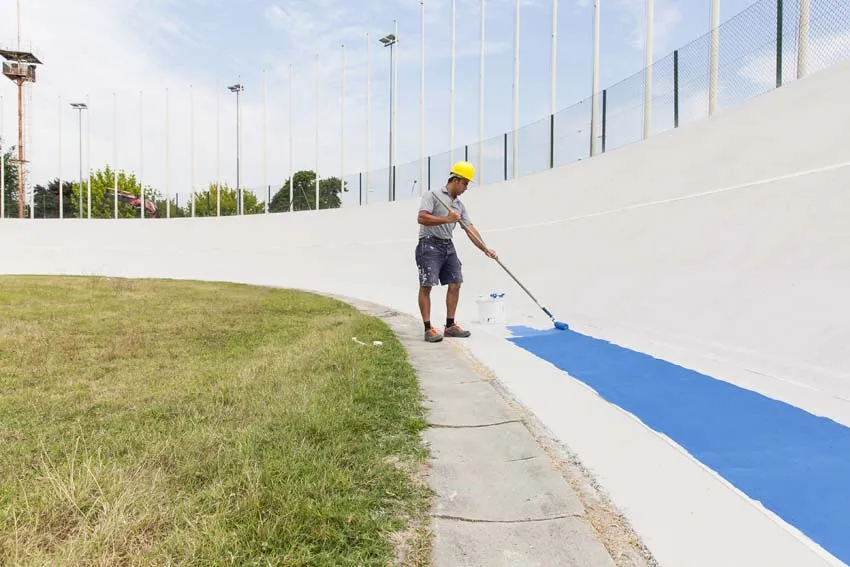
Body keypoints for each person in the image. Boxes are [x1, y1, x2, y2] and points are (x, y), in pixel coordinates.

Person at [415, 160, 498, 343]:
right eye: (466, 183)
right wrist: (447, 219)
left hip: (447, 245)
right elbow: (422, 218)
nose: (466, 188)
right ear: (457, 180)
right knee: (427, 285)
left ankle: (450, 325)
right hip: (428, 244)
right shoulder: (433, 195)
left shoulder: (459, 205)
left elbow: (469, 228)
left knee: (456, 282)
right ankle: (428, 329)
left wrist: (485, 248)